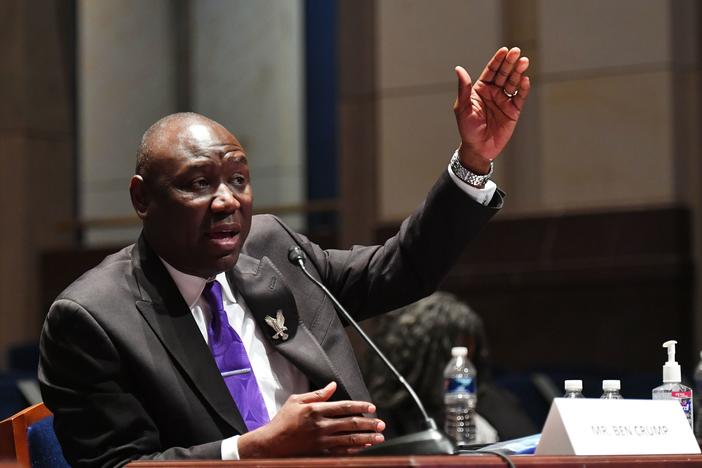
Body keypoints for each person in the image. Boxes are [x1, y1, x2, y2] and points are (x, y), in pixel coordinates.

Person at [38, 47, 530, 466]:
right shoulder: (93, 319)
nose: (228, 200)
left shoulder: (272, 249)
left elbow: (399, 270)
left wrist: (472, 161)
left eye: (237, 178)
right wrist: (254, 449)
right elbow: (119, 465)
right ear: (142, 199)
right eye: (198, 184)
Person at [364, 292, 537, 442]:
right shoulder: (382, 412)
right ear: (422, 354)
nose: (465, 356)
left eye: (470, 345)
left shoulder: (490, 400)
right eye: (455, 344)